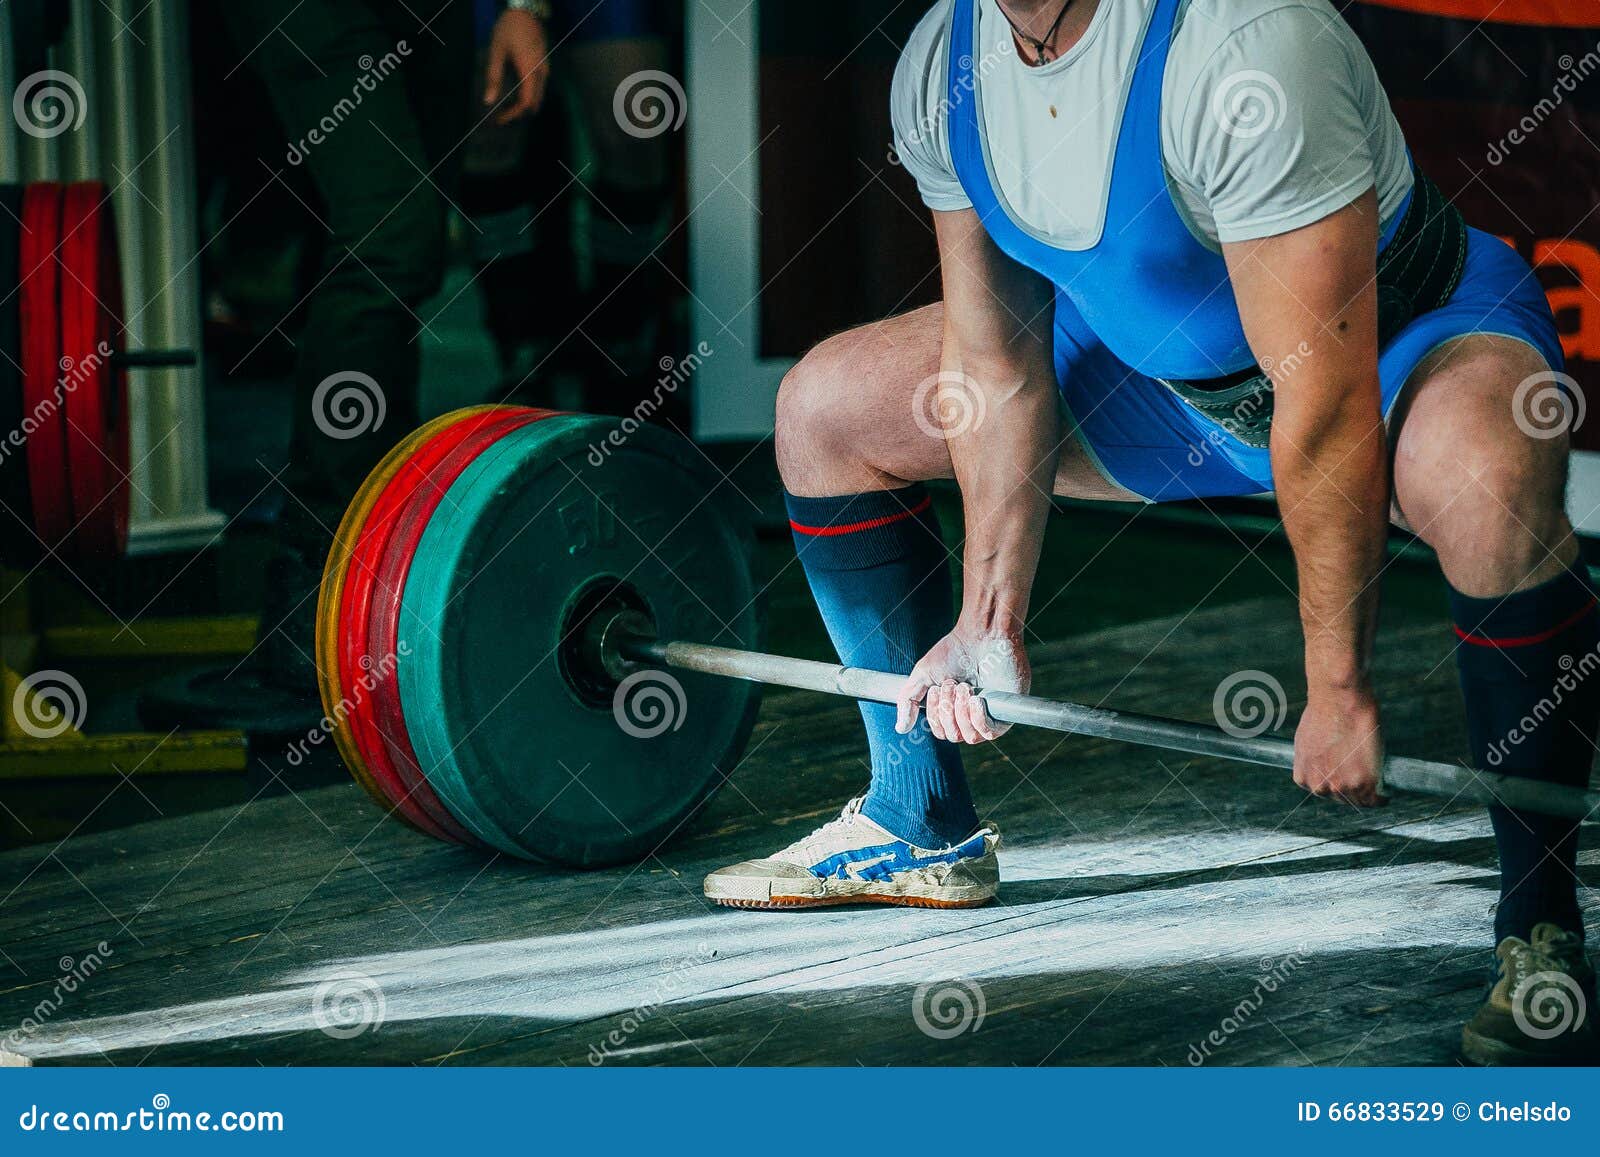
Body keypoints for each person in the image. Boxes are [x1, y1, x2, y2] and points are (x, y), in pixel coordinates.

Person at [702, 0, 1597, 1066]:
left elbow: (1324, 407)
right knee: (825, 411)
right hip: (1171, 385)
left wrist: (1337, 688)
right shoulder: (944, 65)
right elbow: (994, 365)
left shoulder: (1242, 46)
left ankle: (1541, 918)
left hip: (1392, 354)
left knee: (1489, 486)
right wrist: (986, 620)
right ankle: (917, 816)